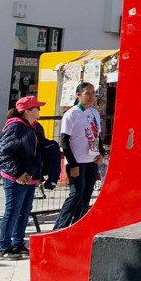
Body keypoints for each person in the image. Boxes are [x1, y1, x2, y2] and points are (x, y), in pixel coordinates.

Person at [52, 82, 104, 230]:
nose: (91, 96)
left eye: (93, 93)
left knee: (86, 194)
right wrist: (73, 163)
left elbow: (97, 135)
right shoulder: (71, 114)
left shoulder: (94, 113)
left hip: (91, 159)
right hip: (77, 161)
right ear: (79, 95)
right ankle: (60, 227)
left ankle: (78, 225)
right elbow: (64, 140)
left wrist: (100, 153)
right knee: (76, 194)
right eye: (87, 93)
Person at [0, 96, 43, 260]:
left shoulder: (36, 127)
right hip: (15, 178)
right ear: (28, 111)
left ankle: (18, 243)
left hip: (30, 177)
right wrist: (18, 173)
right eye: (37, 108)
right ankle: (4, 248)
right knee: (12, 212)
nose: (40, 110)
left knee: (24, 212)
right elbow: (5, 154)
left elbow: (39, 151)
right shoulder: (15, 127)